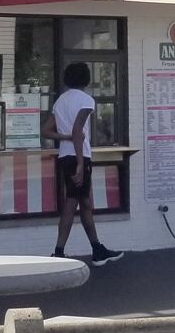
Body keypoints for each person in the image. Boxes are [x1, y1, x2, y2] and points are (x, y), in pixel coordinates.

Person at [48, 62, 122, 265]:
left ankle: (97, 248)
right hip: (79, 156)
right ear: (86, 79)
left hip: (65, 155)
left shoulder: (60, 101)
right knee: (72, 202)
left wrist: (64, 137)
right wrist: (81, 163)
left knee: (85, 202)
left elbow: (47, 130)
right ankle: (59, 252)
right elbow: (77, 130)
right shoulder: (86, 100)